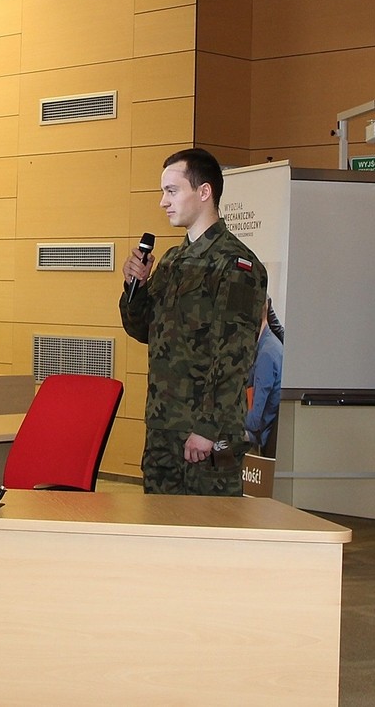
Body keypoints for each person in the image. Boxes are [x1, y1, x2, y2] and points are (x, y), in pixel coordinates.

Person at [120, 147, 266, 496]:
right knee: (157, 524)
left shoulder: (236, 265)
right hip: (164, 427)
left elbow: (235, 356)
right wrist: (135, 287)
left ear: (204, 192)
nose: (163, 202)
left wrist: (207, 428)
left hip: (207, 434)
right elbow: (143, 329)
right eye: (163, 192)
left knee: (208, 523)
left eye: (172, 191)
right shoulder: (173, 261)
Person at [244, 299, 284, 455]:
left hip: (260, 437)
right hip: (261, 429)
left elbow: (254, 421)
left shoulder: (266, 355)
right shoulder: (268, 344)